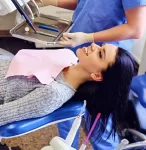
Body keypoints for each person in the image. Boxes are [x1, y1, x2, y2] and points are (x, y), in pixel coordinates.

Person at [34, 0, 146, 149]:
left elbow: (135, 29)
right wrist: (48, 1)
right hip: (78, 53)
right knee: (66, 112)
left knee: (99, 124)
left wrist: (88, 38)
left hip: (104, 62)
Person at [0, 44, 135, 134]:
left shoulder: (54, 93)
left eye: (100, 54)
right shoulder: (67, 56)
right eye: (100, 46)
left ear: (97, 75)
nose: (93, 45)